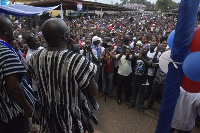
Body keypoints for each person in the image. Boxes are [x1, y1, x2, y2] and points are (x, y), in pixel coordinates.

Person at [28, 18, 98, 132]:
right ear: (66, 36)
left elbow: (33, 77)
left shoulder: (35, 56)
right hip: (70, 120)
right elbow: (94, 91)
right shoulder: (77, 60)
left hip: (48, 116)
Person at [0, 16, 33, 133]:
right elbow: (13, 87)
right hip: (11, 115)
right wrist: (28, 108)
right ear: (4, 30)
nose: (13, 32)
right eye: (11, 28)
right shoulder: (4, 50)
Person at [128, 45, 152, 112]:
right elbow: (128, 58)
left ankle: (140, 106)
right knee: (134, 92)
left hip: (143, 79)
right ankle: (132, 103)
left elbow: (149, 64)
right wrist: (127, 53)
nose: (143, 50)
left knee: (141, 93)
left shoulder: (148, 58)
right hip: (135, 78)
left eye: (145, 49)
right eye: (142, 49)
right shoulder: (136, 57)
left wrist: (142, 59)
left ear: (147, 51)